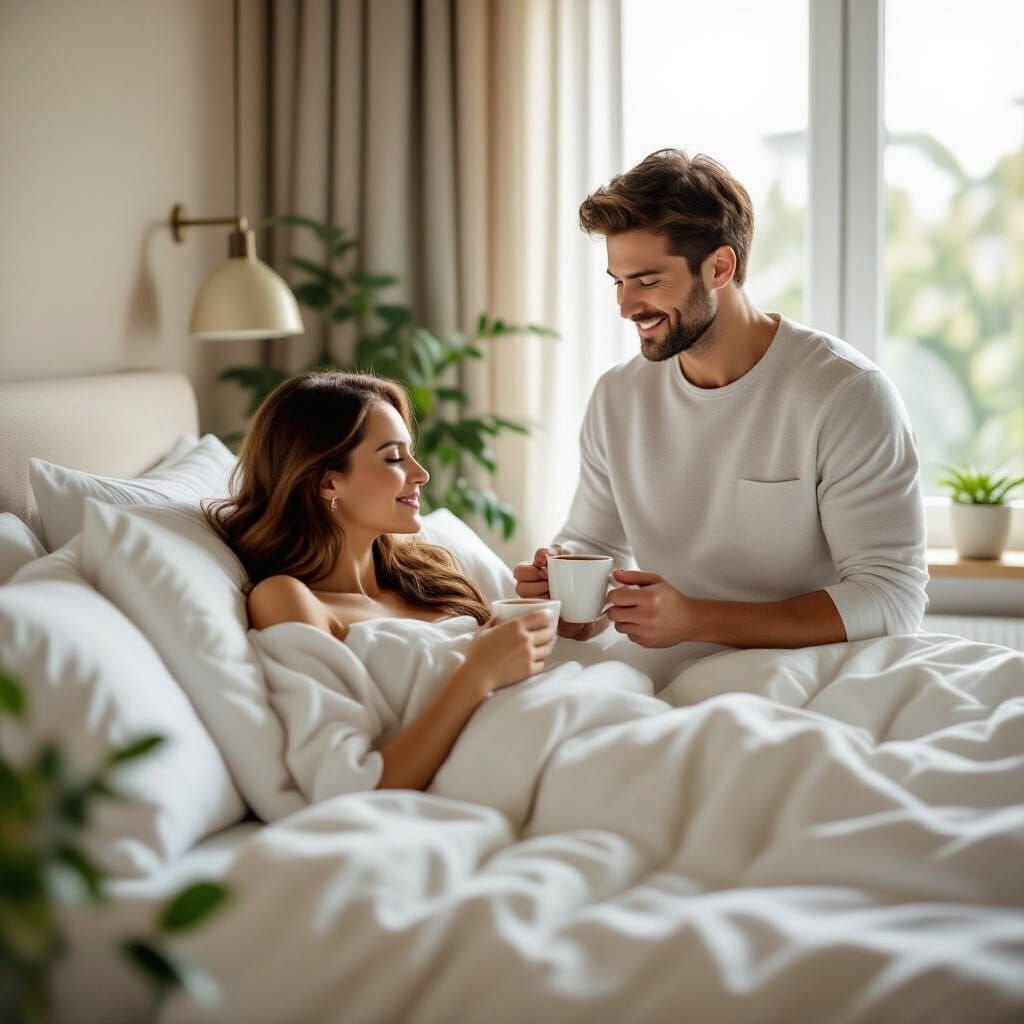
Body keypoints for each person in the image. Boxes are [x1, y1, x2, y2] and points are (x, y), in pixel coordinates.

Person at [515, 148, 928, 650]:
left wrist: (697, 619)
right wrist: (567, 590)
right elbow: (596, 544)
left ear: (719, 267)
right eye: (619, 283)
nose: (625, 306)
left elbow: (891, 597)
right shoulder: (618, 398)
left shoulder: (844, 393)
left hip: (815, 671)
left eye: (647, 280)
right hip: (668, 673)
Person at [205, 371, 556, 792]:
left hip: (567, 712)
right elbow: (351, 782)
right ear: (327, 481)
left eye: (410, 453)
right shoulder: (289, 599)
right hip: (522, 758)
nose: (421, 473)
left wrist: (558, 618)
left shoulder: (431, 572)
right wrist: (476, 675)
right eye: (393, 458)